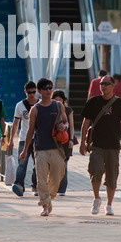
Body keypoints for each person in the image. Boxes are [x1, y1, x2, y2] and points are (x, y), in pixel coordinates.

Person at [80, 75, 121, 216]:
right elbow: (85, 122)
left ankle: (109, 204)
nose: (103, 86)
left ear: (113, 86)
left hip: (113, 145)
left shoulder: (120, 103)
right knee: (95, 170)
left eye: (106, 84)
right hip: (96, 144)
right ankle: (96, 198)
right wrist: (83, 142)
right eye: (102, 84)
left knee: (112, 175)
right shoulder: (93, 102)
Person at [20, 78, 67, 217]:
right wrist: (24, 149)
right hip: (40, 148)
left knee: (57, 176)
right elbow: (30, 131)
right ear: (39, 91)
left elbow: (66, 122)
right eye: (46, 88)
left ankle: (49, 197)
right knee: (41, 179)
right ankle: (45, 205)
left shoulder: (58, 106)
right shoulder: (35, 109)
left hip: (56, 148)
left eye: (50, 87)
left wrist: (64, 126)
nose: (49, 90)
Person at [9, 81, 39, 197]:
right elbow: (16, 124)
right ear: (25, 92)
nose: (31, 95)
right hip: (23, 138)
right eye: (29, 92)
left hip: (37, 138)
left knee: (38, 163)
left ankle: (35, 185)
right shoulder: (20, 105)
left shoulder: (40, 104)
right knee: (22, 163)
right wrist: (12, 139)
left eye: (33, 92)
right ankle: (19, 185)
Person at [51, 89, 75, 195]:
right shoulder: (50, 110)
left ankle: (62, 189)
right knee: (53, 165)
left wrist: (71, 140)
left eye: (60, 100)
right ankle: (53, 187)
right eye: (56, 100)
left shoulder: (68, 110)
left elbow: (71, 126)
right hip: (53, 140)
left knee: (64, 165)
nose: (58, 103)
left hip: (65, 140)